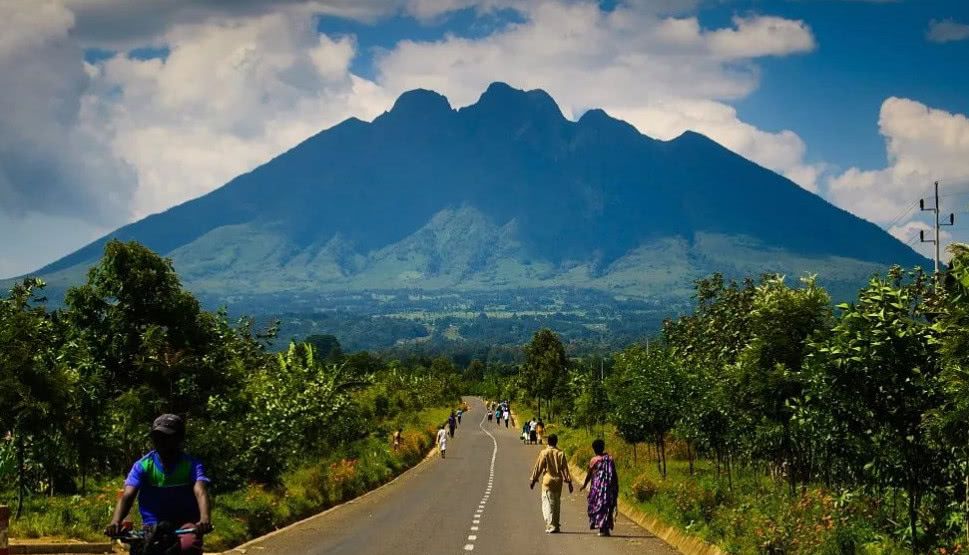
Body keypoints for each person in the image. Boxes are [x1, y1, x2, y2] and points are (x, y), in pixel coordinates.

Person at [105, 414, 212, 554]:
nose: (161, 441)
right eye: (157, 437)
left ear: (179, 438)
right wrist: (116, 521)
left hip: (184, 525)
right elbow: (128, 495)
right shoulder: (143, 465)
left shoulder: (192, 464)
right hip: (152, 526)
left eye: (167, 437)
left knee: (188, 547)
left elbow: (200, 491)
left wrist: (204, 518)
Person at [529, 434, 573, 533]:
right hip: (558, 481)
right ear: (556, 442)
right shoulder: (561, 453)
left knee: (548, 504)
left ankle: (551, 525)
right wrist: (569, 482)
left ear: (548, 442)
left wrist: (533, 480)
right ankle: (556, 525)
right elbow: (565, 469)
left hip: (547, 481)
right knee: (557, 504)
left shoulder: (544, 452)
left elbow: (538, 467)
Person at [580, 438, 619, 537]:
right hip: (609, 487)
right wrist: (616, 486)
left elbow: (589, 474)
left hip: (597, 489)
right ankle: (606, 529)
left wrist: (584, 485)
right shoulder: (610, 459)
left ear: (594, 449)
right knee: (607, 507)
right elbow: (614, 474)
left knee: (599, 507)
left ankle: (602, 529)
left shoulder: (594, 460)